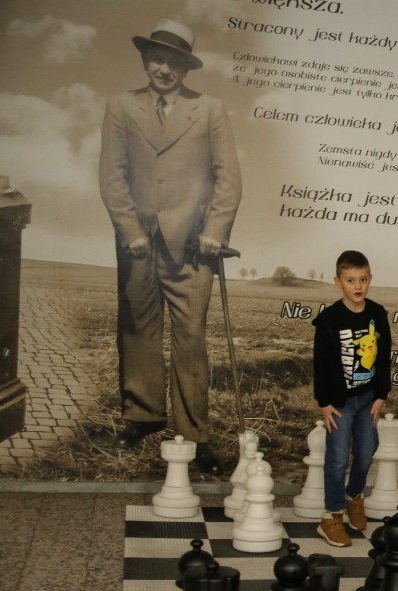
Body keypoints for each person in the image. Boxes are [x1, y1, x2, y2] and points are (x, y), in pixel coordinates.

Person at [99, 19, 242, 474]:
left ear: (186, 68)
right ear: (145, 61)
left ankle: (193, 433)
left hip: (194, 246)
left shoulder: (209, 109)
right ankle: (142, 416)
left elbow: (228, 177)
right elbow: (113, 176)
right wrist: (130, 230)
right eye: (156, 59)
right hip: (137, 243)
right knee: (137, 329)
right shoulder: (121, 106)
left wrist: (215, 230)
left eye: (174, 63)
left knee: (190, 337)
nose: (164, 69)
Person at [312, 250, 392, 547]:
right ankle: (331, 515)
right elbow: (320, 363)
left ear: (370, 279)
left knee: (368, 449)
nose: (358, 286)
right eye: (350, 280)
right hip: (339, 403)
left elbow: (384, 355)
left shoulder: (377, 313)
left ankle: (353, 495)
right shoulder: (329, 320)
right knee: (336, 459)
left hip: (368, 397)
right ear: (338, 282)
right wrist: (324, 402)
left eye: (363, 279)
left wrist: (381, 394)